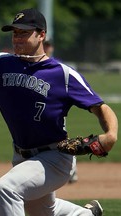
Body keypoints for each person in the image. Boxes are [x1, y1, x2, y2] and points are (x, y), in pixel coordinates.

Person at [0, 8, 118, 216]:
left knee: (7, 188)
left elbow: (101, 108)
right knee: (44, 212)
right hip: (22, 157)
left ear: (41, 34)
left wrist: (110, 136)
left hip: (55, 157)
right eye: (14, 33)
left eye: (24, 32)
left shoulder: (63, 74)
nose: (17, 38)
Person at [43, 40, 79, 184]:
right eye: (45, 44)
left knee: (61, 138)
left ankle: (71, 168)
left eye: (49, 45)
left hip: (54, 108)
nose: (47, 47)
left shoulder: (57, 64)